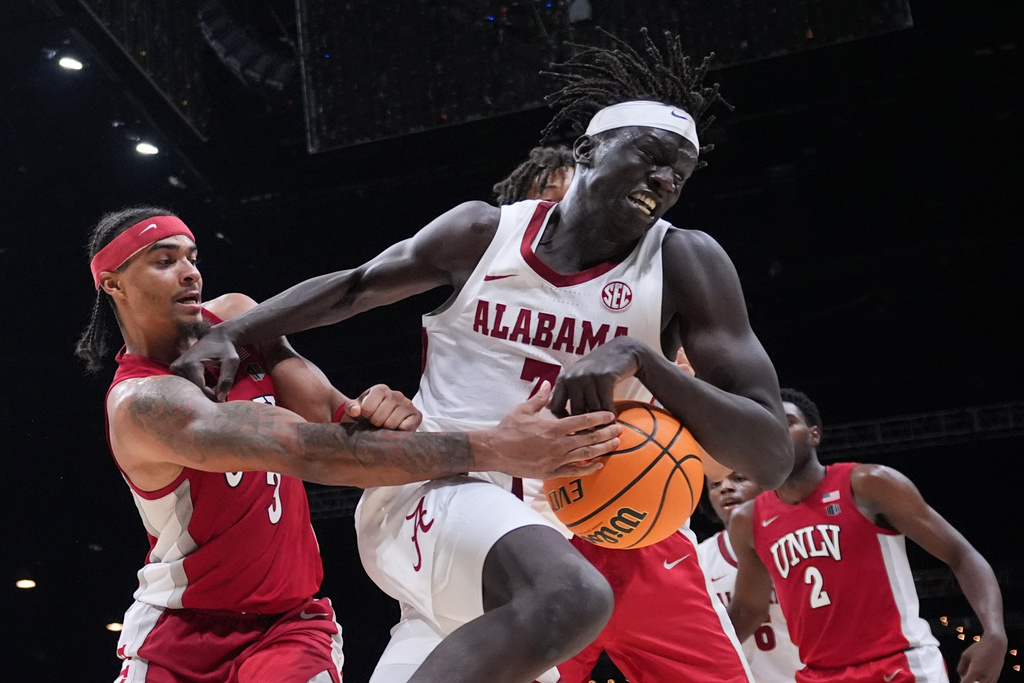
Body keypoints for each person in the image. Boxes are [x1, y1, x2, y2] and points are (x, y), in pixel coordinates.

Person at [171, 27, 794, 683]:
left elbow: (771, 455)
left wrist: (646, 358)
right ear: (588, 149)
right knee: (573, 599)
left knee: (553, 610)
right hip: (437, 484)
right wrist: (230, 335)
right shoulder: (484, 233)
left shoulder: (687, 263)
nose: (665, 177)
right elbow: (354, 287)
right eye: (650, 153)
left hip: (536, 532)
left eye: (682, 170)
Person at [76, 207, 621, 683]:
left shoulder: (239, 318)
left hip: (289, 626)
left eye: (191, 256)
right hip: (180, 630)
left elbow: (333, 418)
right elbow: (307, 451)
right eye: (164, 260)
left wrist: (379, 408)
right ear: (113, 284)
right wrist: (493, 448)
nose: (190, 271)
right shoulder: (141, 404)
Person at [727, 388, 1007, 683]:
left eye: (788, 422)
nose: (777, 433)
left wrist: (995, 632)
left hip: (899, 664)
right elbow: (748, 609)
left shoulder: (869, 484)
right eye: (766, 426)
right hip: (819, 675)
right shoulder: (747, 520)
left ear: (814, 435)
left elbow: (960, 554)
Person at [698, 470, 802, 682]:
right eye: (714, 485)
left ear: (767, 485)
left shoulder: (801, 543)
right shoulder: (698, 560)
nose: (725, 488)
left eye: (739, 479)